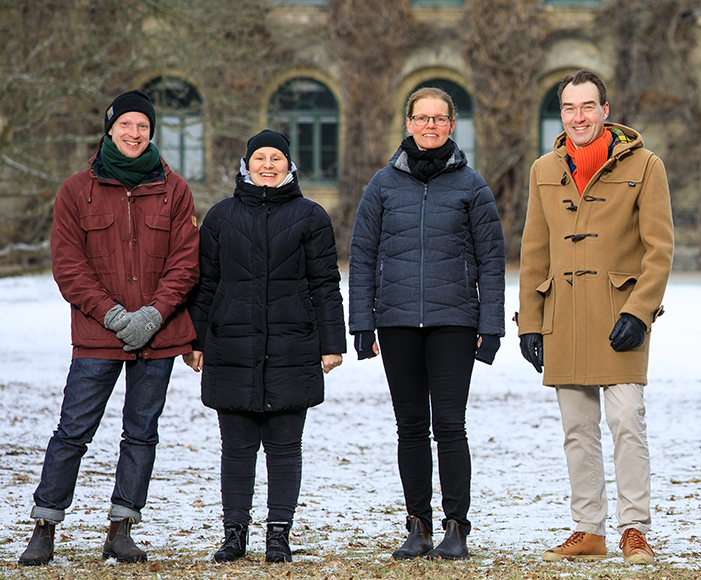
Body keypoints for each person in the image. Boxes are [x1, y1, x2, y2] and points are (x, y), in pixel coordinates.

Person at [18, 90, 200, 566]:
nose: (135, 134)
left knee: (141, 432)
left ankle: (121, 527)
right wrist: (116, 316)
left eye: (143, 127)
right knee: (73, 430)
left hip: (157, 336)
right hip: (99, 335)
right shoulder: (77, 190)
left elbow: (185, 262)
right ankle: (45, 523)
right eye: (126, 126)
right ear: (110, 129)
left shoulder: (175, 189)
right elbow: (69, 266)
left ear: (151, 132)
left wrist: (155, 315)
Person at [517, 69, 673, 565]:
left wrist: (641, 311)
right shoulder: (544, 168)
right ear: (561, 114)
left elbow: (659, 248)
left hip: (619, 316)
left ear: (605, 111)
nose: (578, 116)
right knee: (577, 429)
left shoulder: (646, 165)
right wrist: (529, 322)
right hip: (563, 314)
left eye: (587, 107)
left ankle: (634, 529)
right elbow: (533, 251)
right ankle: (588, 530)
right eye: (568, 108)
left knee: (627, 421)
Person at [348, 87, 505, 561]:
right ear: (409, 123)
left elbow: (491, 260)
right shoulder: (381, 185)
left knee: (450, 427)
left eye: (439, 119)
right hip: (395, 322)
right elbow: (361, 255)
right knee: (411, 426)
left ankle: (455, 529)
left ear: (452, 126)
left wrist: (491, 326)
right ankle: (416, 525)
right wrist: (362, 323)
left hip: (454, 321)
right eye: (422, 118)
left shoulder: (472, 186)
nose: (430, 126)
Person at [184, 130, 346, 563]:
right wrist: (194, 340)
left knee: (284, 447)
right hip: (231, 345)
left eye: (277, 158)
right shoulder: (220, 217)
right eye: (261, 158)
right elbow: (204, 286)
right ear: (247, 164)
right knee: (235, 449)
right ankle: (234, 533)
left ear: (290, 166)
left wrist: (332, 343)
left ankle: (279, 533)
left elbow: (325, 285)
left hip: (292, 347)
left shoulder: (311, 217)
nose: (268, 164)